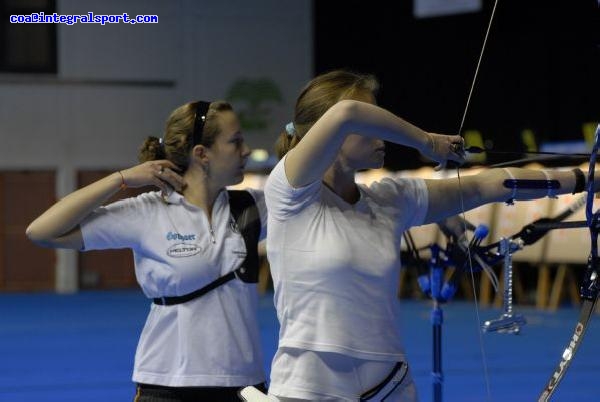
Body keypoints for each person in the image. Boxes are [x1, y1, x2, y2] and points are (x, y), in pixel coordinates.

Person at [261, 69, 593, 402]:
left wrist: (581, 179)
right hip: (309, 389)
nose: (382, 138)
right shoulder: (290, 193)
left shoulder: (388, 199)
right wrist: (427, 141)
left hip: (390, 386)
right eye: (372, 127)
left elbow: (486, 185)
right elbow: (347, 112)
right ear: (329, 133)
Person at [26, 100, 268, 401]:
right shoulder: (147, 212)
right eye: (236, 142)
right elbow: (41, 231)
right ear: (202, 154)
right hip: (167, 383)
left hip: (244, 385)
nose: (246, 151)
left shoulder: (254, 207)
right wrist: (121, 179)